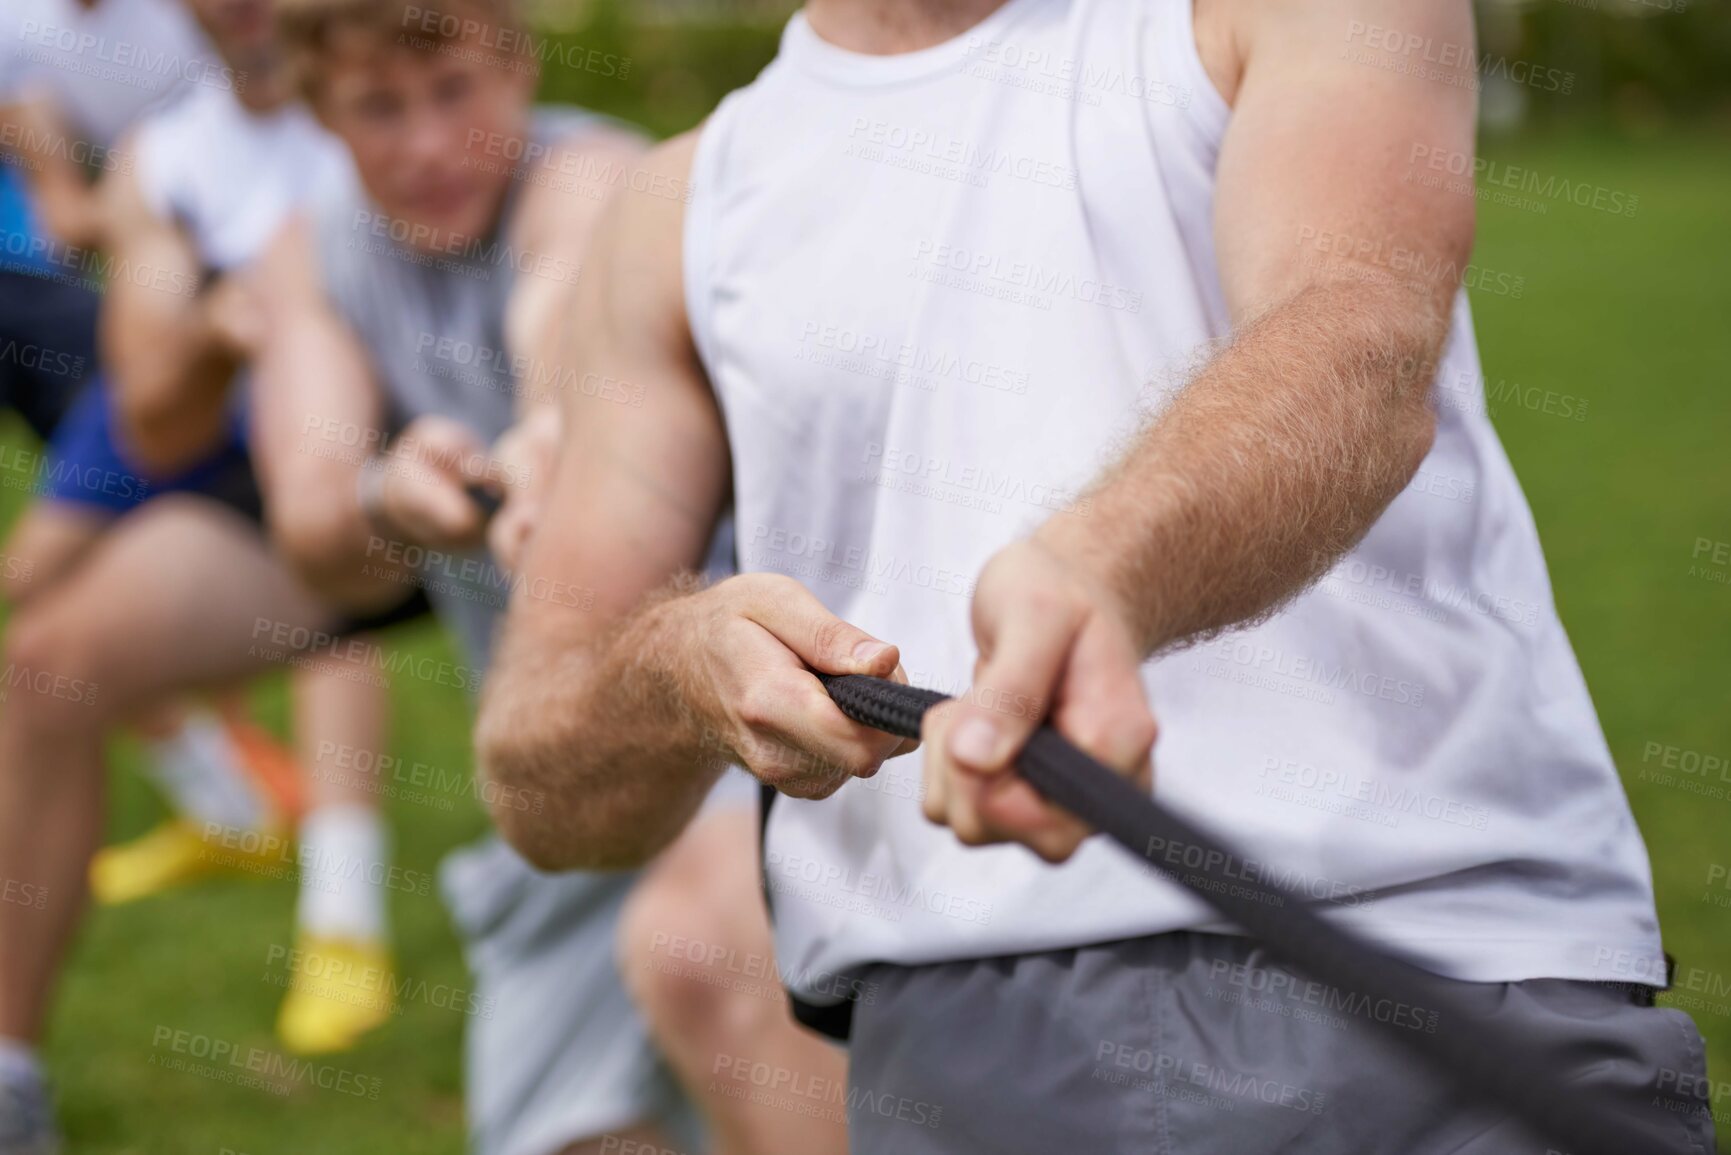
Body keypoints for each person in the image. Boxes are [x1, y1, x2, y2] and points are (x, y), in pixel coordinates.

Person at [474, 0, 1715, 1152]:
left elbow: (1358, 338)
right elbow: (538, 772)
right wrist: (681, 660)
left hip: (1441, 967)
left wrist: (1102, 566)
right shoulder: (681, 205)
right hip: (969, 1045)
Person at [253, 3, 840, 1153]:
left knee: (702, 956)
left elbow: (562, 300)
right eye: (380, 107)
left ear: (518, 72)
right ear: (321, 112)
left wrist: (546, 431)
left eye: (457, 92)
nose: (429, 144)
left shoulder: (602, 177)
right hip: (563, 754)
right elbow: (313, 523)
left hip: (741, 709)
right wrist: (389, 497)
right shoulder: (308, 255)